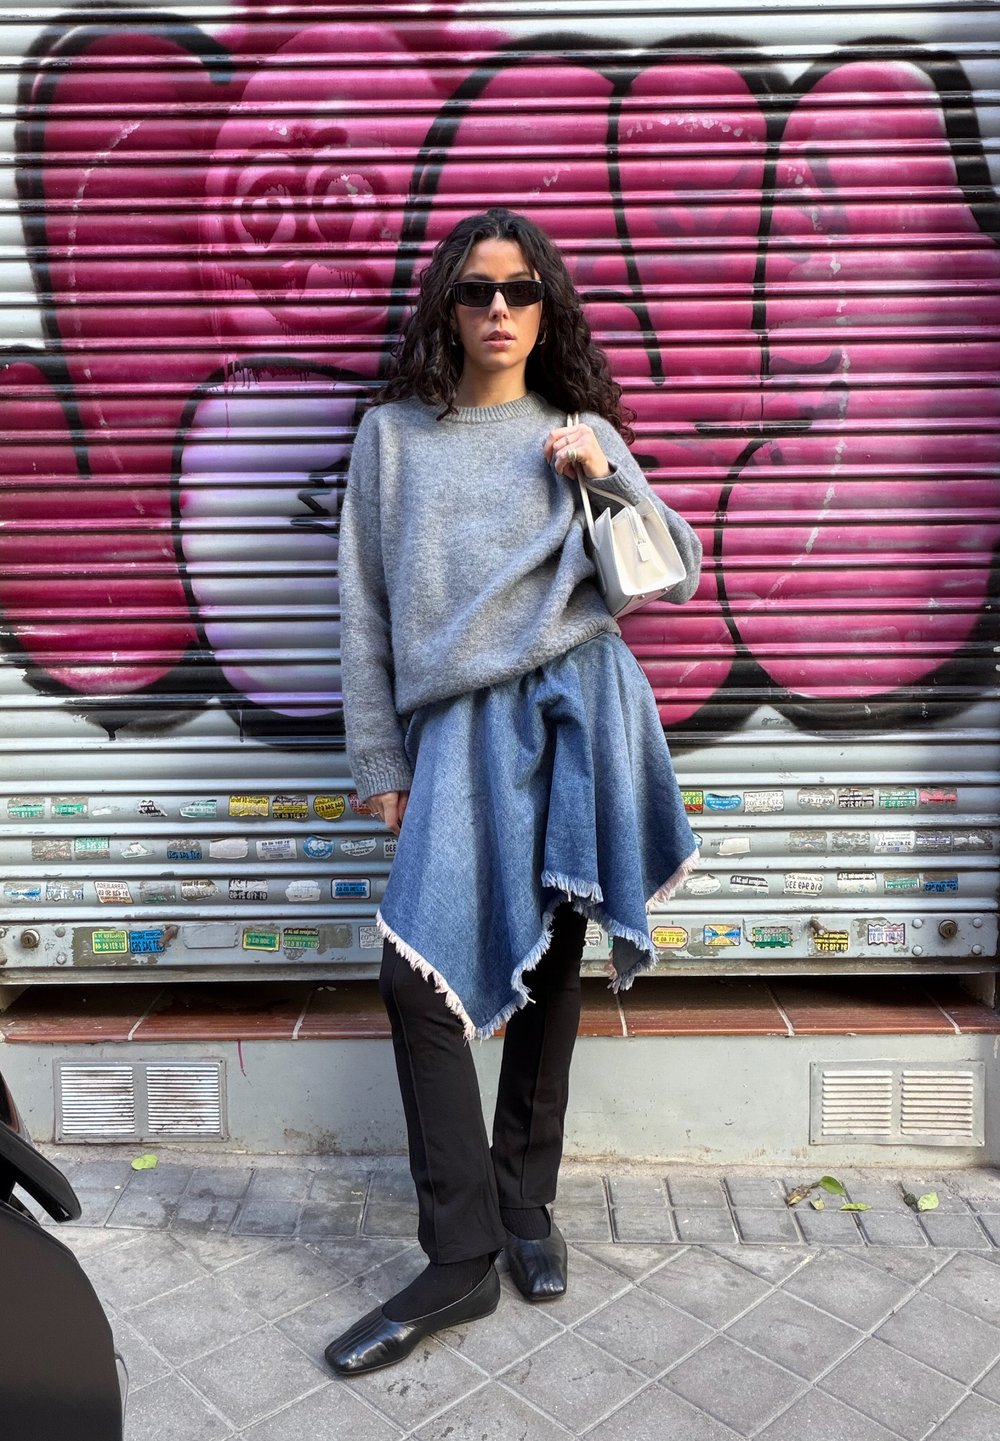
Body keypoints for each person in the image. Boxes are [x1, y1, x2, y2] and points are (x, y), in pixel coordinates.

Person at [326, 207, 702, 1376]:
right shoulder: (393, 437)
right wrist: (381, 761)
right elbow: (363, 608)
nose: (499, 308)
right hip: (461, 729)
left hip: (582, 708)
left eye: (523, 291)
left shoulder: (578, 427)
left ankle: (522, 1211)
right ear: (447, 304)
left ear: (549, 312)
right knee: (413, 974)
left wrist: (604, 480)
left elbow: (670, 568)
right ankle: (459, 1257)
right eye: (478, 289)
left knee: (551, 967)